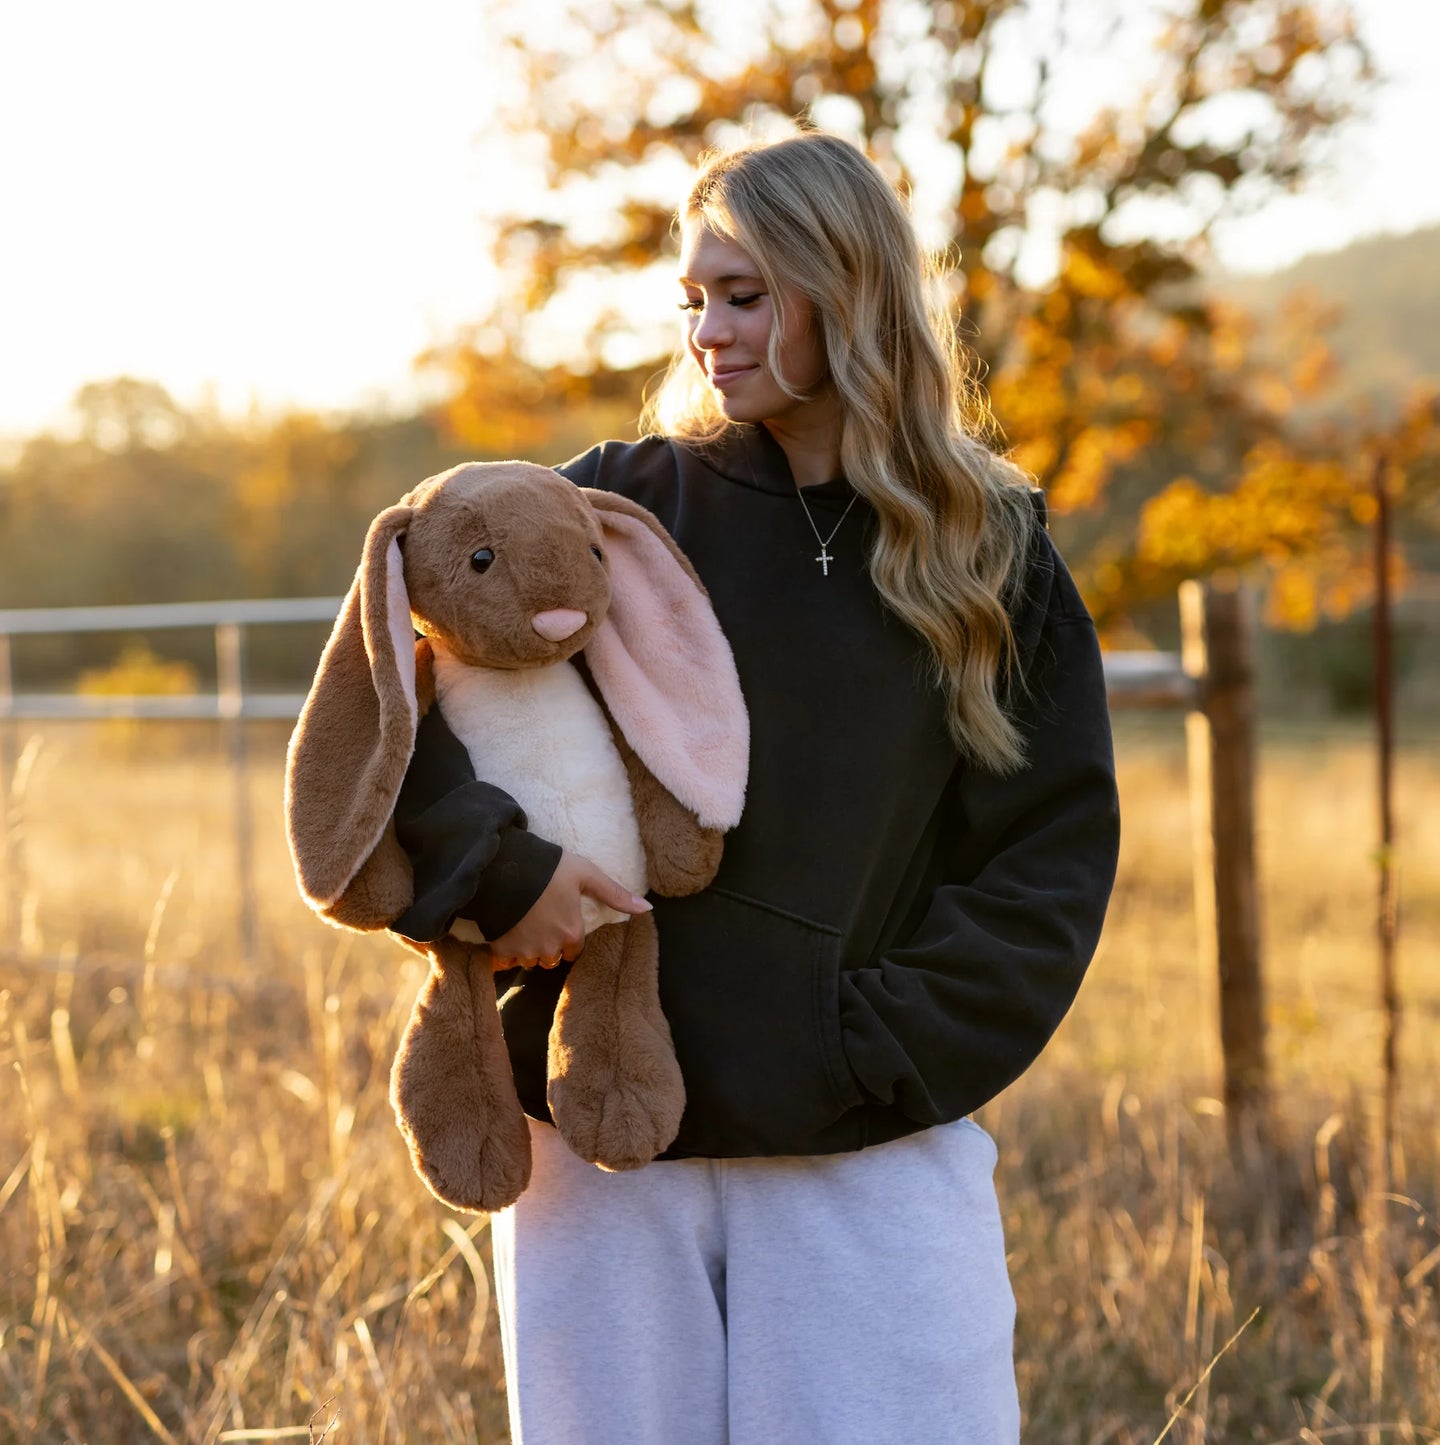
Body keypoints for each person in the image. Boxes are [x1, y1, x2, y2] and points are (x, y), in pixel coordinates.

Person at [390, 130, 1120, 1444]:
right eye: (692, 300)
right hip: (607, 1148)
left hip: (865, 1156)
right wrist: (502, 879)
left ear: (845, 292)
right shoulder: (611, 509)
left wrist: (863, 1049)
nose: (708, 333)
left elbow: (1045, 860)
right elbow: (406, 728)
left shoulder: (985, 550)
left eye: (743, 295)